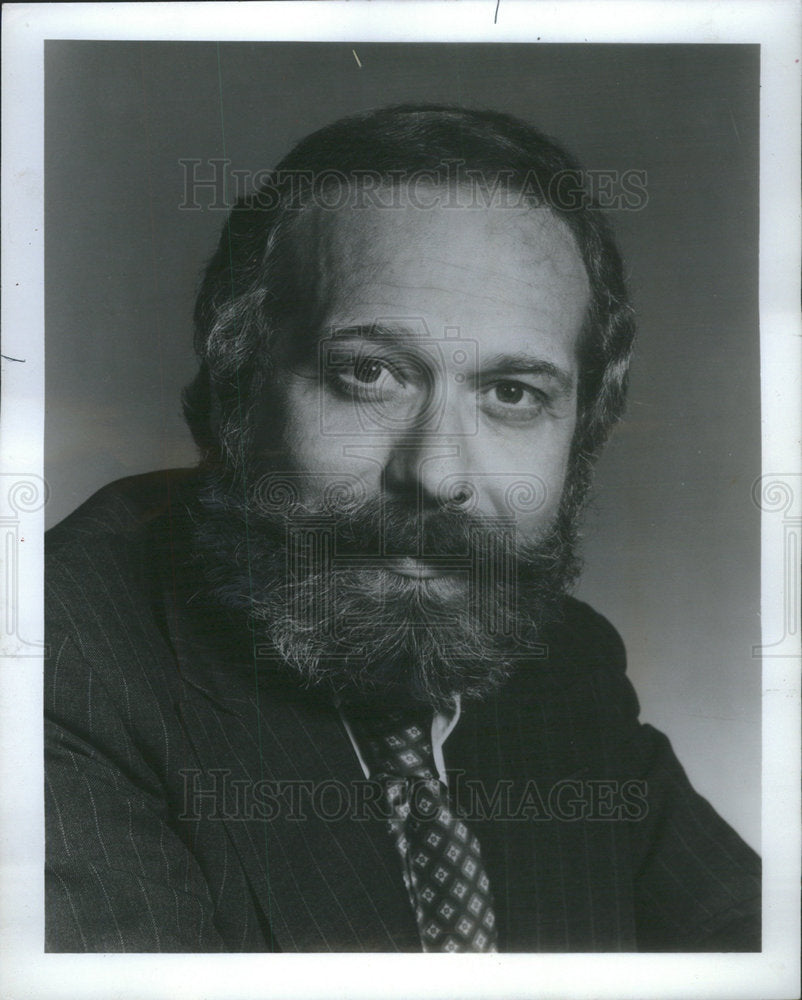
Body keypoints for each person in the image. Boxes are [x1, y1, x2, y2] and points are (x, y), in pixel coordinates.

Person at [45, 104, 760, 953]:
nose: (438, 473)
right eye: (369, 374)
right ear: (235, 398)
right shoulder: (54, 671)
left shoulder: (564, 664)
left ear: (584, 434)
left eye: (512, 393)